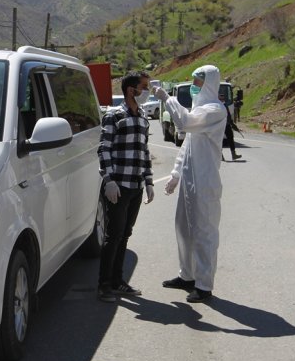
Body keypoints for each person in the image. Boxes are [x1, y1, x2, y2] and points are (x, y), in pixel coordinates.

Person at [153, 65, 227, 303]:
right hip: (189, 179)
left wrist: (167, 98)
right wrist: (175, 174)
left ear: (208, 84)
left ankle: (204, 285)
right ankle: (187, 275)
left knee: (204, 232)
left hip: (205, 181)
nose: (194, 87)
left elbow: (184, 123)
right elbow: (187, 144)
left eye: (198, 83)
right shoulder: (200, 109)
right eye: (193, 81)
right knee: (183, 228)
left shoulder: (215, 110)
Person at [97, 71, 155, 302]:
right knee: (114, 235)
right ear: (131, 89)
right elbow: (104, 149)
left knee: (125, 235)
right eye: (144, 87)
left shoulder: (142, 117)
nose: (146, 91)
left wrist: (148, 181)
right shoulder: (114, 116)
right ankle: (104, 285)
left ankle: (118, 281)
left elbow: (144, 152)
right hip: (118, 186)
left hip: (136, 186)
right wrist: (108, 180)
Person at [219, 92, 242, 162]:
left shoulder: (225, 104)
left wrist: (232, 124)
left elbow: (228, 115)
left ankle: (233, 154)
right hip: (220, 125)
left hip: (227, 124)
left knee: (231, 138)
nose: (222, 98)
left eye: (223, 97)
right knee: (219, 140)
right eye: (221, 97)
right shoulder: (217, 105)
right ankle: (220, 156)